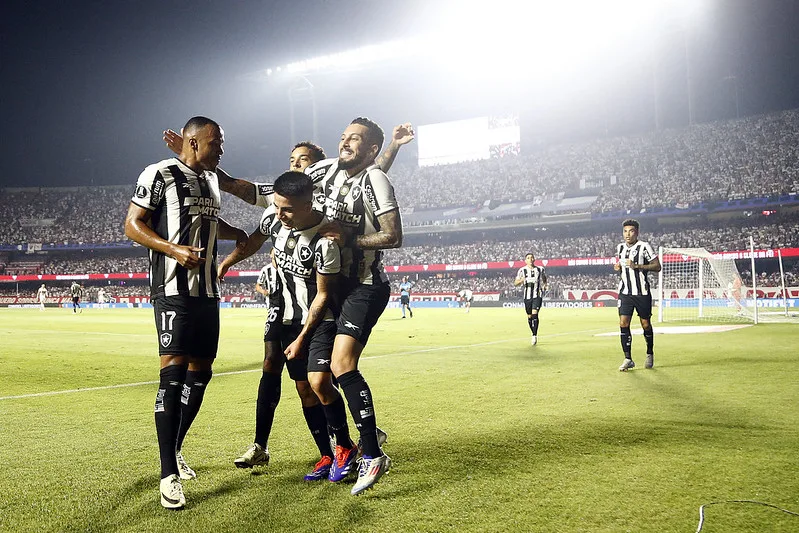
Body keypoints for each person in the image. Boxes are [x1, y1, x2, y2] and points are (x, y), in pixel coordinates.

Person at [124, 116, 248, 510]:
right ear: (194, 143)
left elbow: (207, 221)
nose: (222, 150)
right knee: (173, 373)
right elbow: (132, 225)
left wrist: (236, 233)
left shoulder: (211, 179)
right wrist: (173, 249)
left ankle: (175, 448)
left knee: (202, 373)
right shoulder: (158, 173)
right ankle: (168, 474)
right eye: (217, 144)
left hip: (207, 292)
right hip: (172, 290)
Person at [218, 171, 358, 483]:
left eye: (288, 210)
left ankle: (347, 448)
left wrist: (303, 338)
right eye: (278, 207)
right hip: (287, 319)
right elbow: (254, 241)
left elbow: (323, 295)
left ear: (309, 204)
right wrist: (228, 262)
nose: (280, 215)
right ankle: (327, 454)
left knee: (319, 382)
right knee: (304, 390)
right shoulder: (274, 219)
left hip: (319, 320)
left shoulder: (325, 241)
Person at [303, 117, 403, 495]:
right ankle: (366, 432)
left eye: (355, 139)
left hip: (364, 286)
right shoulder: (329, 172)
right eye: (343, 136)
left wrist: (349, 239)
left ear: (371, 148)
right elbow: (273, 190)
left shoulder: (376, 178)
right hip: (334, 289)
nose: (345, 143)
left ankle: (373, 454)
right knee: (319, 377)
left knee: (343, 364)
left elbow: (393, 236)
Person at [162, 123, 414, 205]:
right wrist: (192, 157)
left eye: (302, 160)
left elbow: (371, 170)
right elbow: (235, 186)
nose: (295, 166)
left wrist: (394, 145)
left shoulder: (332, 174)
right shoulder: (285, 196)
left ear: (318, 165)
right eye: (291, 161)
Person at [613, 219, 661, 371]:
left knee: (645, 324)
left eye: (631, 231)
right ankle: (628, 358)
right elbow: (623, 268)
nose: (628, 234)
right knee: (623, 323)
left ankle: (649, 352)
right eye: (625, 231)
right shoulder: (620, 248)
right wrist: (618, 267)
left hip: (642, 293)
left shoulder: (644, 246)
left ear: (637, 232)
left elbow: (657, 266)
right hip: (625, 292)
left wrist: (638, 265)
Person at [514, 253, 547, 345]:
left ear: (534, 259)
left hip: (537, 295)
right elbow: (515, 283)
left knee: (534, 315)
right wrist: (521, 280)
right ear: (525, 260)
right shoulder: (522, 270)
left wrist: (545, 285)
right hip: (527, 297)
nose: (530, 259)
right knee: (529, 317)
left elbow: (544, 277)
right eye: (528, 258)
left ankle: (534, 335)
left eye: (532, 257)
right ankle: (533, 332)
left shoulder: (540, 269)